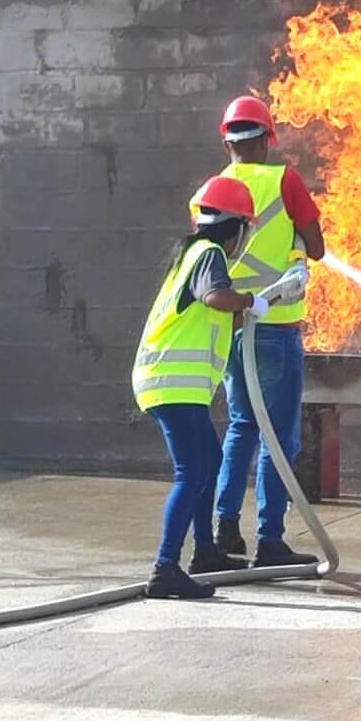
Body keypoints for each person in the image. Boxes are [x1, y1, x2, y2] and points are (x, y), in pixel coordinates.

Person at [132, 175, 271, 599]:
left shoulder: (191, 256)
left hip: (175, 386)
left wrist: (250, 305)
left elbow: (208, 312)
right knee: (191, 472)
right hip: (171, 384)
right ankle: (165, 567)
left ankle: (205, 552)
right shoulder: (209, 254)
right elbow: (215, 297)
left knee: (208, 462)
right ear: (238, 227)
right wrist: (250, 301)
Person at [208, 95, 326, 568]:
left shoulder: (209, 191)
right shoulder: (284, 181)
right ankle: (270, 540)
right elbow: (317, 248)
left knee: (241, 426)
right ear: (266, 139)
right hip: (274, 327)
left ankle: (224, 526)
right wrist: (297, 243)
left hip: (232, 327)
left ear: (228, 141)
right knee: (279, 436)